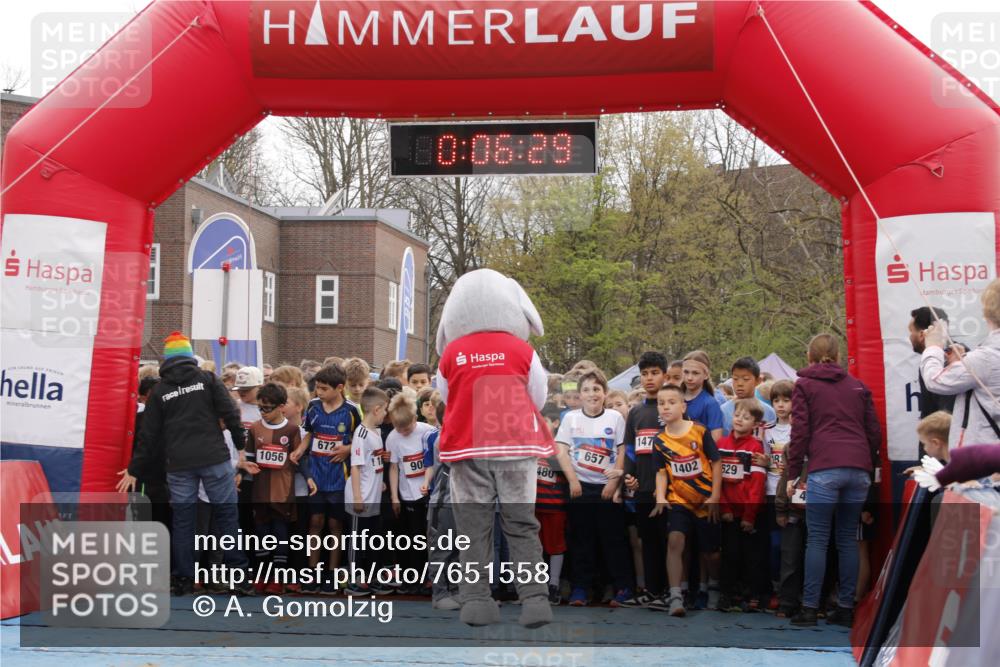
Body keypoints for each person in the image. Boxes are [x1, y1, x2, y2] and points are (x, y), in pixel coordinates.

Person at [117, 331, 254, 596]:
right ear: (190, 357)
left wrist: (135, 469)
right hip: (213, 458)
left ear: (166, 362)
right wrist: (239, 447)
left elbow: (149, 436)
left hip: (179, 463)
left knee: (183, 520)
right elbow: (230, 413)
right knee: (227, 517)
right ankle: (240, 577)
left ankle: (183, 579)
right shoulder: (208, 380)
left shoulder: (160, 392)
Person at [786, 333, 881, 628]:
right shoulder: (858, 386)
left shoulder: (804, 385)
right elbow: (874, 432)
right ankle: (845, 609)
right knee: (847, 540)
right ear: (838, 357)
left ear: (809, 357)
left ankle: (810, 609)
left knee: (817, 538)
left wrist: (792, 475)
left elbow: (800, 432)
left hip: (825, 467)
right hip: (858, 469)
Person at [558, 369, 632, 607]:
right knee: (581, 540)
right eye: (587, 390)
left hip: (606, 488)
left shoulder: (615, 418)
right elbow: (561, 451)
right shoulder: (570, 418)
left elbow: (621, 450)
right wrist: (573, 480)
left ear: (605, 392)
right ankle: (581, 588)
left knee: (613, 540)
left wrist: (613, 483)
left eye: (596, 389)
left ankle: (619, 587)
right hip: (580, 487)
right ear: (580, 394)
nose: (592, 394)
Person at [651, 384, 722, 616]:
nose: (666, 407)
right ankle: (675, 596)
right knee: (675, 542)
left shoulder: (700, 431)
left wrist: (715, 496)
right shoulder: (659, 441)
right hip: (678, 500)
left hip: (704, 501)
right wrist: (661, 496)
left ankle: (713, 586)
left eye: (671, 402)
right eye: (661, 403)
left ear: (683, 406)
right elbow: (661, 472)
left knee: (710, 552)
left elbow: (716, 462)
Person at [296, 364, 362, 594]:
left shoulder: (352, 411)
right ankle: (312, 571)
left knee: (335, 525)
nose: (318, 392)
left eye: (324, 388)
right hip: (316, 474)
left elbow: (365, 440)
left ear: (340, 388)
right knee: (315, 523)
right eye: (317, 387)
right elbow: (309, 434)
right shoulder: (313, 407)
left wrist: (347, 449)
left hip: (339, 477)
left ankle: (332, 573)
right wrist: (299, 450)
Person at [248, 382, 316, 594]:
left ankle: (278, 578)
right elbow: (249, 459)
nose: (263, 413)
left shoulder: (292, 430)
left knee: (280, 534)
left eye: (267, 408)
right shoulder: (254, 429)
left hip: (283, 492)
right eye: (260, 408)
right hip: (260, 492)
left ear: (281, 407)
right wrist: (242, 474)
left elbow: (299, 459)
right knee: (261, 534)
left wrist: (309, 478)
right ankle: (263, 575)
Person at [921, 280, 1000, 448]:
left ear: (987, 312)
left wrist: (933, 346)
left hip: (983, 457)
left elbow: (934, 380)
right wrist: (964, 360)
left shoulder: (985, 358)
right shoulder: (984, 358)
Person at [621, 351, 669, 609]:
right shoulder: (636, 412)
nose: (649, 378)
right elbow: (629, 450)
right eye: (645, 374)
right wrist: (629, 476)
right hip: (642, 488)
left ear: (665, 375)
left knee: (667, 542)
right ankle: (651, 591)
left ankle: (670, 591)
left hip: (668, 490)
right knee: (647, 540)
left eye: (654, 373)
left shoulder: (670, 409)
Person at [718, 399, 768, 612]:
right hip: (728, 512)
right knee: (729, 555)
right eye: (737, 415)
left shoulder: (755, 448)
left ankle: (752, 595)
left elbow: (756, 485)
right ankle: (727, 594)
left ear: (755, 424)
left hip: (748, 514)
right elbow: (716, 480)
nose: (740, 419)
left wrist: (749, 515)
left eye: (746, 417)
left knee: (752, 557)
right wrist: (725, 508)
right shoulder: (721, 444)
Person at [387, 392, 437, 594]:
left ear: (415, 419)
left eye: (406, 428)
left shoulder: (427, 432)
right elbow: (393, 468)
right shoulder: (393, 438)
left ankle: (425, 577)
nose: (402, 432)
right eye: (398, 428)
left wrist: (428, 483)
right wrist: (394, 496)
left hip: (424, 493)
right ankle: (409, 577)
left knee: (421, 538)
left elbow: (432, 462)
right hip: (405, 494)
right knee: (406, 537)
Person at [344, 386, 390, 596]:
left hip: (373, 494)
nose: (387, 414)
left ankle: (369, 578)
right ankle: (354, 580)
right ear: (377, 409)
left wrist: (379, 481)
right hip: (361, 495)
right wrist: (357, 496)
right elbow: (355, 465)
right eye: (386, 409)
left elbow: (373, 461)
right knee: (357, 539)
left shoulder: (375, 433)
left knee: (371, 539)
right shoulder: (361, 434)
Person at [536, 397, 580, 605]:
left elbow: (567, 472)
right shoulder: (529, 447)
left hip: (555, 506)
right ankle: (536, 585)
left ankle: (553, 585)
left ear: (555, 423)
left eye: (543, 420)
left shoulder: (559, 449)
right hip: (532, 507)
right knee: (534, 547)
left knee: (555, 546)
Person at [426, 401, 462, 609]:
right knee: (442, 549)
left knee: (457, 549)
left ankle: (455, 590)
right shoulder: (444, 438)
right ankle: (439, 594)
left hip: (461, 503)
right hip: (444, 502)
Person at [908, 306, 955, 419]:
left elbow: (946, 414)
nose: (909, 337)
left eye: (911, 331)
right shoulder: (930, 360)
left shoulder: (953, 358)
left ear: (921, 335)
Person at [721, 357, 777, 437]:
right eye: (735, 379)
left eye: (746, 379)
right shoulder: (723, 411)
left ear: (758, 381)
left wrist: (768, 444)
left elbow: (772, 441)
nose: (740, 383)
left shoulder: (769, 412)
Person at [682, 350, 724, 442]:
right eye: (686, 372)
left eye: (695, 373)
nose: (689, 377)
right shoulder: (674, 399)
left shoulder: (711, 404)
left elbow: (716, 439)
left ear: (706, 375)